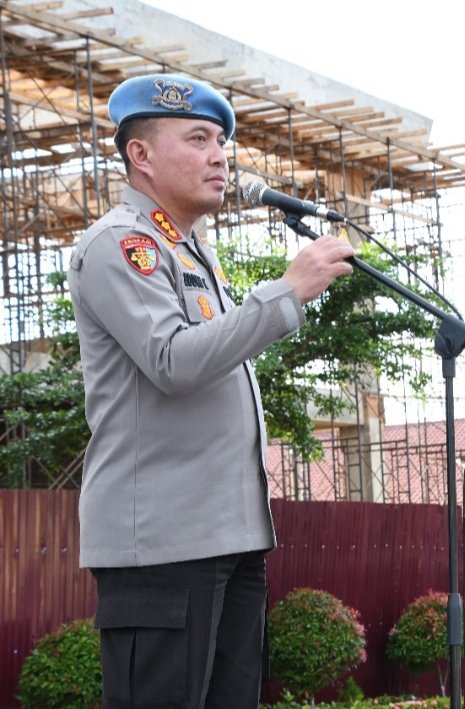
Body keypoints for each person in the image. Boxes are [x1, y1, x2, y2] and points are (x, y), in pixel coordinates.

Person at [71, 73, 357, 709]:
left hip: (230, 535)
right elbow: (172, 361)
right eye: (198, 138)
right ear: (140, 156)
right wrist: (286, 291)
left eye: (222, 141)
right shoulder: (123, 245)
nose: (220, 156)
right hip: (164, 545)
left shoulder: (192, 252)